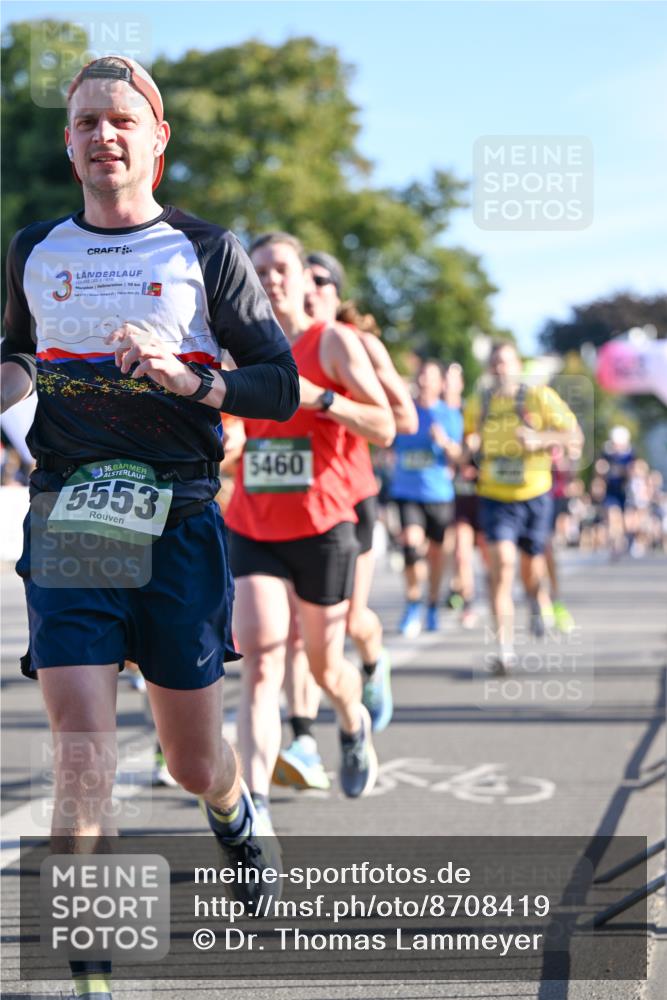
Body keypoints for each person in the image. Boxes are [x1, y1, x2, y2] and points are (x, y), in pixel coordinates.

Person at [1, 56, 299, 1000]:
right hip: (73, 506)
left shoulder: (209, 253)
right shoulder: (32, 250)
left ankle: (231, 805)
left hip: (177, 511)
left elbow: (279, 385)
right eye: (86, 122)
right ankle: (87, 962)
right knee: (81, 744)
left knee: (190, 759)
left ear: (157, 139)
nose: (104, 136)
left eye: (122, 120)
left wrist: (192, 381)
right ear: (69, 143)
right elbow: (14, 354)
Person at [224, 232, 396, 828]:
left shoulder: (334, 342)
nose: (270, 278)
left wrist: (322, 399)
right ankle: (257, 817)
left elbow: (384, 425)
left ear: (304, 280)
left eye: (280, 268)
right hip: (252, 523)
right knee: (262, 661)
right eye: (259, 269)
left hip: (323, 525)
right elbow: (235, 437)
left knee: (324, 667)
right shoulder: (236, 349)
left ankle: (352, 720)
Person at [273, 251, 417, 790]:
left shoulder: (356, 343)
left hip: (350, 498)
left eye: (321, 281)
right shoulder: (278, 340)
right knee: (289, 631)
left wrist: (333, 403)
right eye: (301, 280)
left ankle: (373, 669)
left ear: (336, 289)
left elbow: (401, 419)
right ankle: (305, 740)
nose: (310, 290)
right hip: (292, 497)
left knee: (350, 624)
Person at [463, 341, 582, 674]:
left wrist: (540, 440)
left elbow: (575, 437)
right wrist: (465, 447)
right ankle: (505, 650)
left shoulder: (538, 397)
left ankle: (536, 599)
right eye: (495, 363)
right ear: (490, 368)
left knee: (531, 571)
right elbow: (468, 442)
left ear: (518, 365)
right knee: (501, 565)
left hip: (535, 495)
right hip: (494, 496)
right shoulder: (480, 402)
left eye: (506, 362)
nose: (501, 369)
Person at [390, 359, 463, 636]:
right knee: (410, 544)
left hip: (439, 494)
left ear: (440, 384)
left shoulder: (449, 414)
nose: (423, 381)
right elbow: (387, 439)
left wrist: (444, 442)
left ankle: (432, 604)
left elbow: (458, 456)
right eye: (420, 376)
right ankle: (412, 602)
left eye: (429, 377)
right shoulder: (404, 411)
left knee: (436, 555)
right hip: (407, 491)